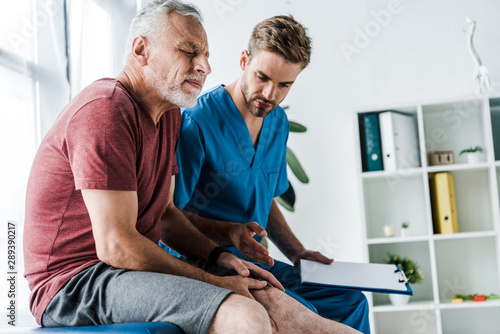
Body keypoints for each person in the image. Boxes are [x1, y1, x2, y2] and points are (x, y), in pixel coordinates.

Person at [24, 1, 361, 333]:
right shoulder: (107, 110)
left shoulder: (168, 115)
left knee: (277, 300)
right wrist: (216, 279)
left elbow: (167, 215)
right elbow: (117, 245)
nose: (204, 67)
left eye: (206, 55)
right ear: (141, 49)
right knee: (249, 316)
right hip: (76, 282)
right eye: (189, 51)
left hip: (126, 269)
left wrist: (218, 257)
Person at [169, 15, 371, 333]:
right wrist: (229, 233)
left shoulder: (278, 124)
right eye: (262, 77)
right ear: (244, 60)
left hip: (262, 262)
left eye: (284, 85)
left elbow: (265, 195)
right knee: (306, 312)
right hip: (211, 261)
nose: (270, 93)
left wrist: (297, 252)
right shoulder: (198, 122)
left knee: (350, 301)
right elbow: (171, 214)